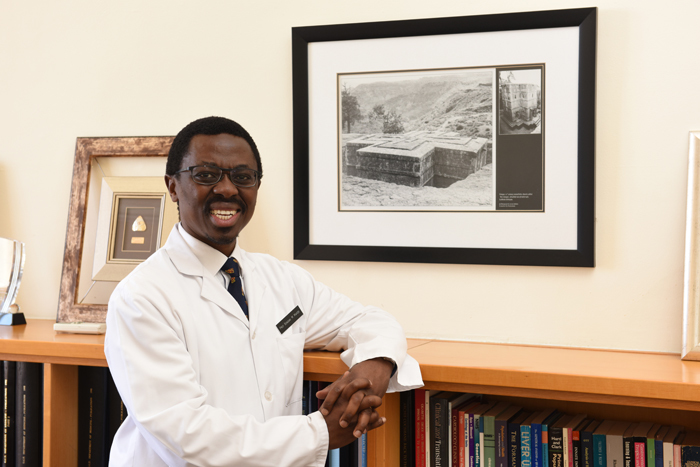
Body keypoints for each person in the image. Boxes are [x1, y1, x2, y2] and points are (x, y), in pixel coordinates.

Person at [104, 116, 423, 466]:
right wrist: (320, 433)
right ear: (173, 187)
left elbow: (370, 319)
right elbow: (188, 437)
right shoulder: (142, 297)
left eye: (243, 177)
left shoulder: (283, 280)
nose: (227, 189)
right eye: (206, 175)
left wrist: (372, 368)